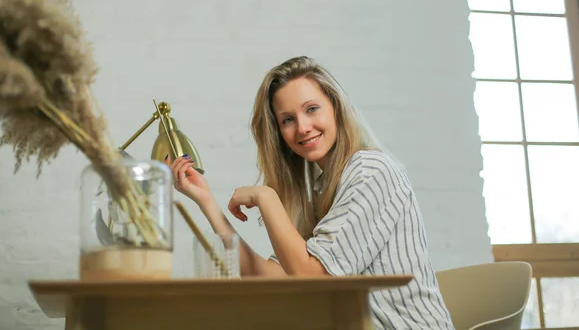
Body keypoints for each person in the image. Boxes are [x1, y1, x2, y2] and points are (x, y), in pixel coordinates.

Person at [167, 56, 455, 329]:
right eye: (287, 120)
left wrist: (267, 198)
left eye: (312, 109)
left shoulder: (370, 171)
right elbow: (271, 279)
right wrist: (206, 201)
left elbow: (312, 278)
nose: (303, 128)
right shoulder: (323, 189)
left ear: (335, 107)